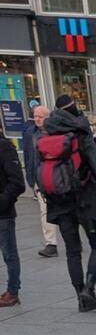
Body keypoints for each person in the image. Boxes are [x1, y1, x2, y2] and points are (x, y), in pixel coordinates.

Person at [39, 95, 96, 311]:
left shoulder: (47, 133)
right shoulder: (81, 133)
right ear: (75, 109)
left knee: (72, 251)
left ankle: (80, 297)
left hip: (59, 201)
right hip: (85, 200)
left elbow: (38, 169)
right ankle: (89, 289)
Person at [22, 103, 60, 257]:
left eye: (40, 117)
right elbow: (27, 155)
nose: (37, 119)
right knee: (45, 211)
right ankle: (51, 243)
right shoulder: (30, 133)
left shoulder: (56, 131)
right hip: (39, 177)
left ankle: (73, 237)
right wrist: (30, 177)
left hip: (56, 176)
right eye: (35, 116)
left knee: (65, 209)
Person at [0, 130, 26, 307]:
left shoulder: (5, 148)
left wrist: (3, 201)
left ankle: (13, 291)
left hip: (3, 213)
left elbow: (17, 183)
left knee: (9, 253)